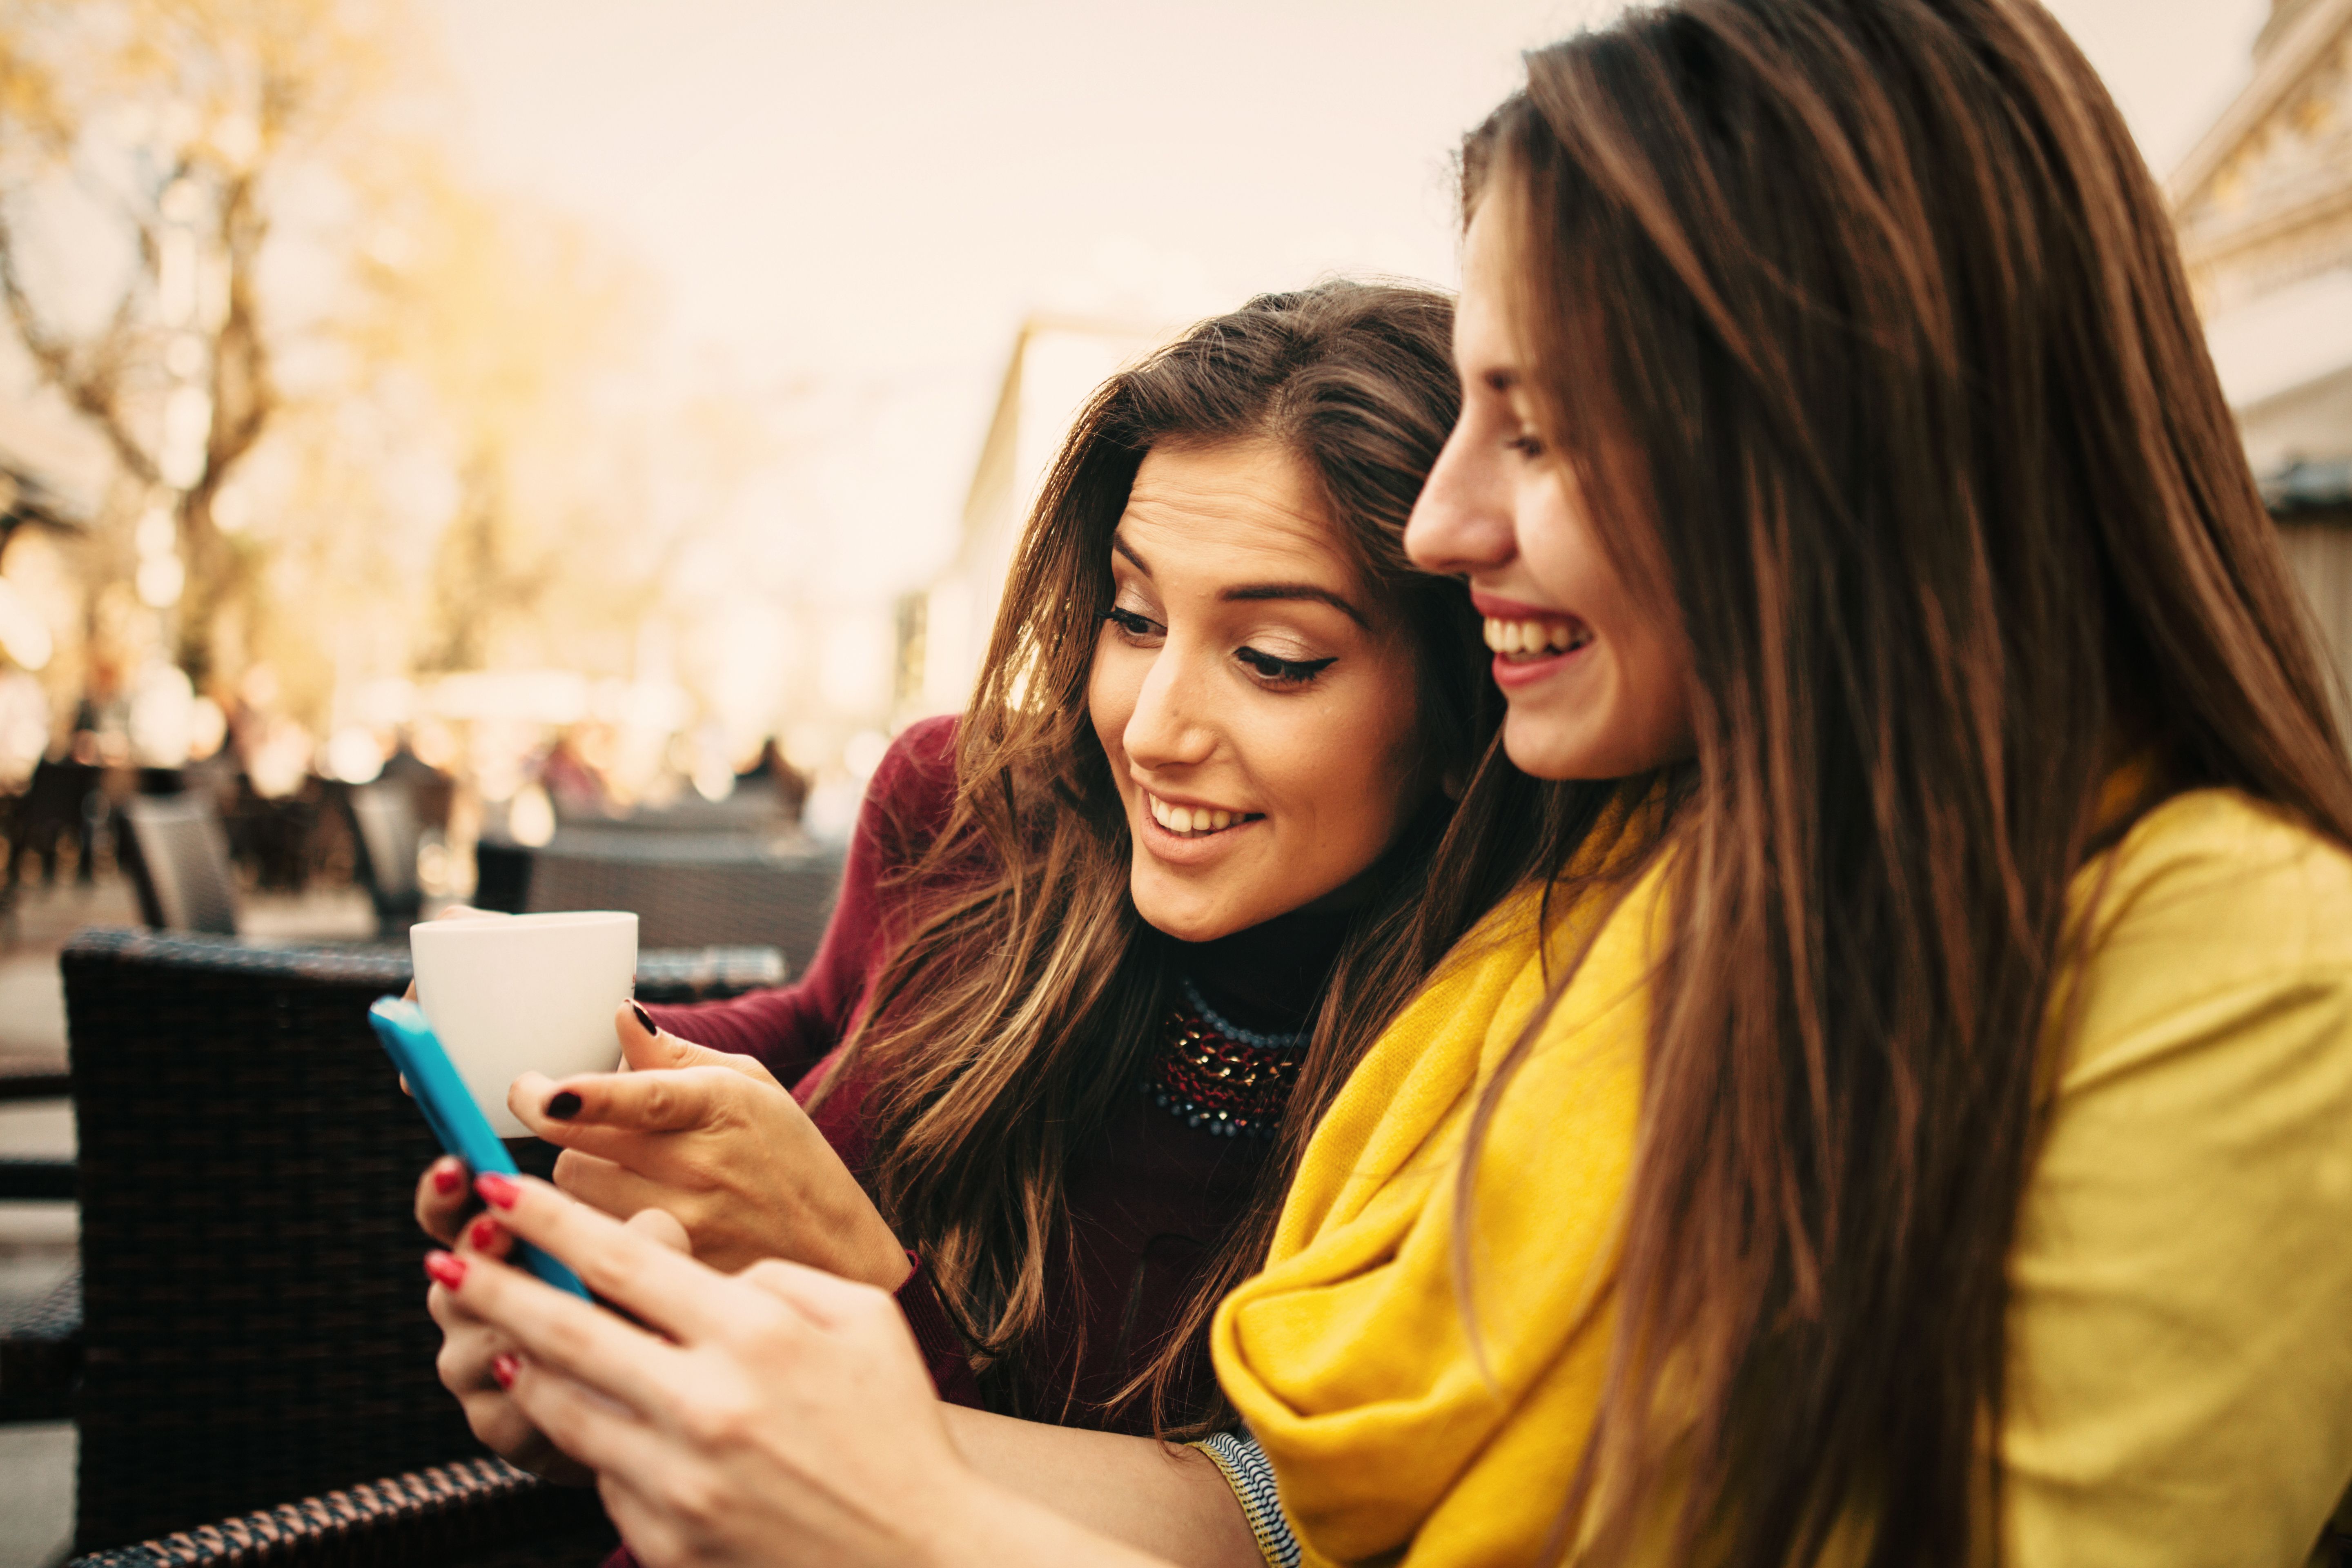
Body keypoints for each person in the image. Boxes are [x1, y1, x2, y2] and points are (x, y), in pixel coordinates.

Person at [416, 1, 2352, 1563]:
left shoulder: (2248, 967)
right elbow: (1274, 1509)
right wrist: (729, 1395)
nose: (1444, 522)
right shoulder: (1630, 903)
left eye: (1545, 427)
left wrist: (915, 1503)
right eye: (1130, 619)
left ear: (1836, 444)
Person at [414, 282, 1522, 1516]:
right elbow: (833, 1019)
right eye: (1134, 616)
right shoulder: (967, 802)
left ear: (1466, 700)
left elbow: (1251, 1529)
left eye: (1274, 660)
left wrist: (848, 1270)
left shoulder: (1496, 1044)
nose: (1150, 730)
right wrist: (579, 1075)